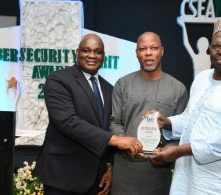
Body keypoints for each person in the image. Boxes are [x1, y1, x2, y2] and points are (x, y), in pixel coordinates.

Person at [148, 15, 221, 194]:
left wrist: (178, 151)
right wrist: (167, 122)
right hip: (189, 176)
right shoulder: (202, 78)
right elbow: (191, 118)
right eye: (216, 45)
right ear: (210, 48)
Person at [34, 33, 142, 195]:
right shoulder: (58, 80)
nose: (92, 55)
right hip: (62, 176)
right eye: (86, 50)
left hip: (95, 178)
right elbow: (68, 122)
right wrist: (117, 140)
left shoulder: (108, 89)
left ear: (103, 56)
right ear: (77, 53)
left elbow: (108, 126)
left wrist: (109, 166)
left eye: (98, 52)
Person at [109, 32, 189, 195]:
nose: (148, 53)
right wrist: (125, 142)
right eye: (143, 49)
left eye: (153, 48)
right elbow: (114, 121)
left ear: (162, 51)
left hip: (158, 174)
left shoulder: (178, 88)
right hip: (125, 173)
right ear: (136, 53)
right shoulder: (122, 85)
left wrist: (167, 151)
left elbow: (183, 130)